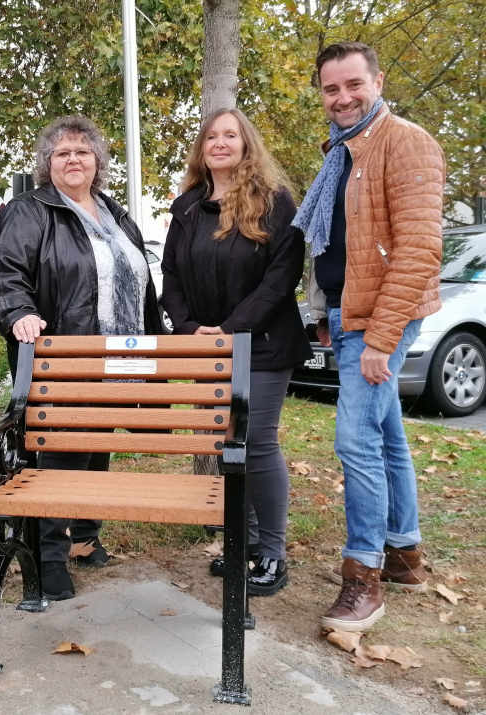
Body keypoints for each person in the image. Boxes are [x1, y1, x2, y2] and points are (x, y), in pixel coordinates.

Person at [295, 41, 443, 631]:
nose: (344, 97)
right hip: (347, 312)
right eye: (332, 89)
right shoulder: (342, 151)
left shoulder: (405, 142)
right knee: (386, 435)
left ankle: (364, 578)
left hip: (380, 317)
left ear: (377, 82)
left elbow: (419, 250)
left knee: (354, 440)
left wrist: (382, 340)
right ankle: (405, 552)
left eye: (354, 85)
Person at [0, 116, 163, 601]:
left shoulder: (113, 212)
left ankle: (84, 535)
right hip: (66, 347)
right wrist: (19, 311)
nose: (73, 160)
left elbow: (139, 276)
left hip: (121, 350)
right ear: (47, 164)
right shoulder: (30, 210)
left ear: (98, 162)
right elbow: (6, 272)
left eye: (83, 152)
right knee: (65, 447)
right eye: (62, 153)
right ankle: (47, 556)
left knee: (98, 439)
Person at [161, 108, 311, 596]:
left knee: (258, 441)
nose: (220, 142)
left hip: (262, 344)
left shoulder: (275, 202)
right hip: (206, 348)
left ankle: (272, 553)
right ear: (202, 148)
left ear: (247, 144)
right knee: (228, 443)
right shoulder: (187, 207)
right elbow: (171, 278)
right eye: (212, 136)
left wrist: (228, 330)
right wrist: (190, 330)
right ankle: (241, 541)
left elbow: (280, 280)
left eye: (231, 135)